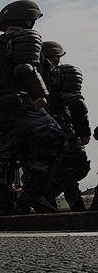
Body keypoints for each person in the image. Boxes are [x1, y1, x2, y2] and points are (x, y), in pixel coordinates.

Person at [0, 0, 64, 214]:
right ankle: (32, 192)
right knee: (55, 138)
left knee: (5, 155)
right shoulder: (26, 36)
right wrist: (39, 93)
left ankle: (3, 205)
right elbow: (25, 68)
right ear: (27, 19)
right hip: (21, 102)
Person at [41, 41, 90, 211]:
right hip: (62, 129)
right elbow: (76, 103)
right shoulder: (63, 73)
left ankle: (70, 211)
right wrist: (83, 131)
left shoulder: (30, 77)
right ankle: (44, 198)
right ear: (56, 57)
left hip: (37, 132)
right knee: (77, 166)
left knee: (55, 172)